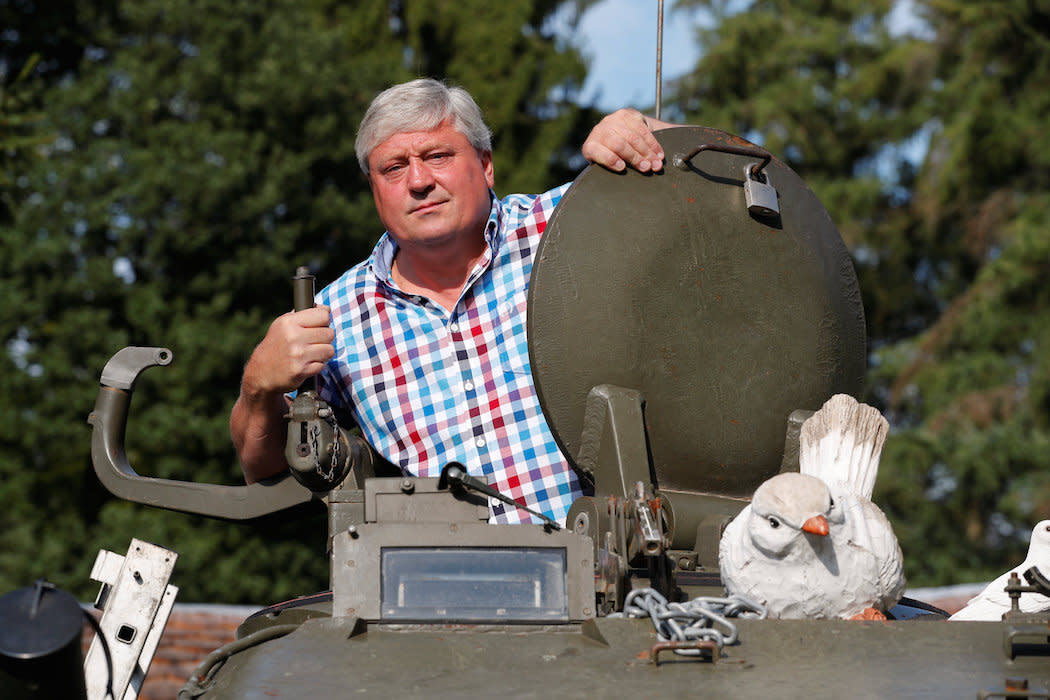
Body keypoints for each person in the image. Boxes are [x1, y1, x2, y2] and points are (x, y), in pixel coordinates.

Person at [231, 78, 672, 525]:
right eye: (394, 168)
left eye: (437, 156)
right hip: (453, 587)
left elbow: (729, 182)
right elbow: (262, 472)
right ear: (374, 189)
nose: (419, 181)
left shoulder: (567, 226)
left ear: (486, 165)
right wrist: (258, 388)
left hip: (614, 568)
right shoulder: (336, 317)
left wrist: (650, 134)